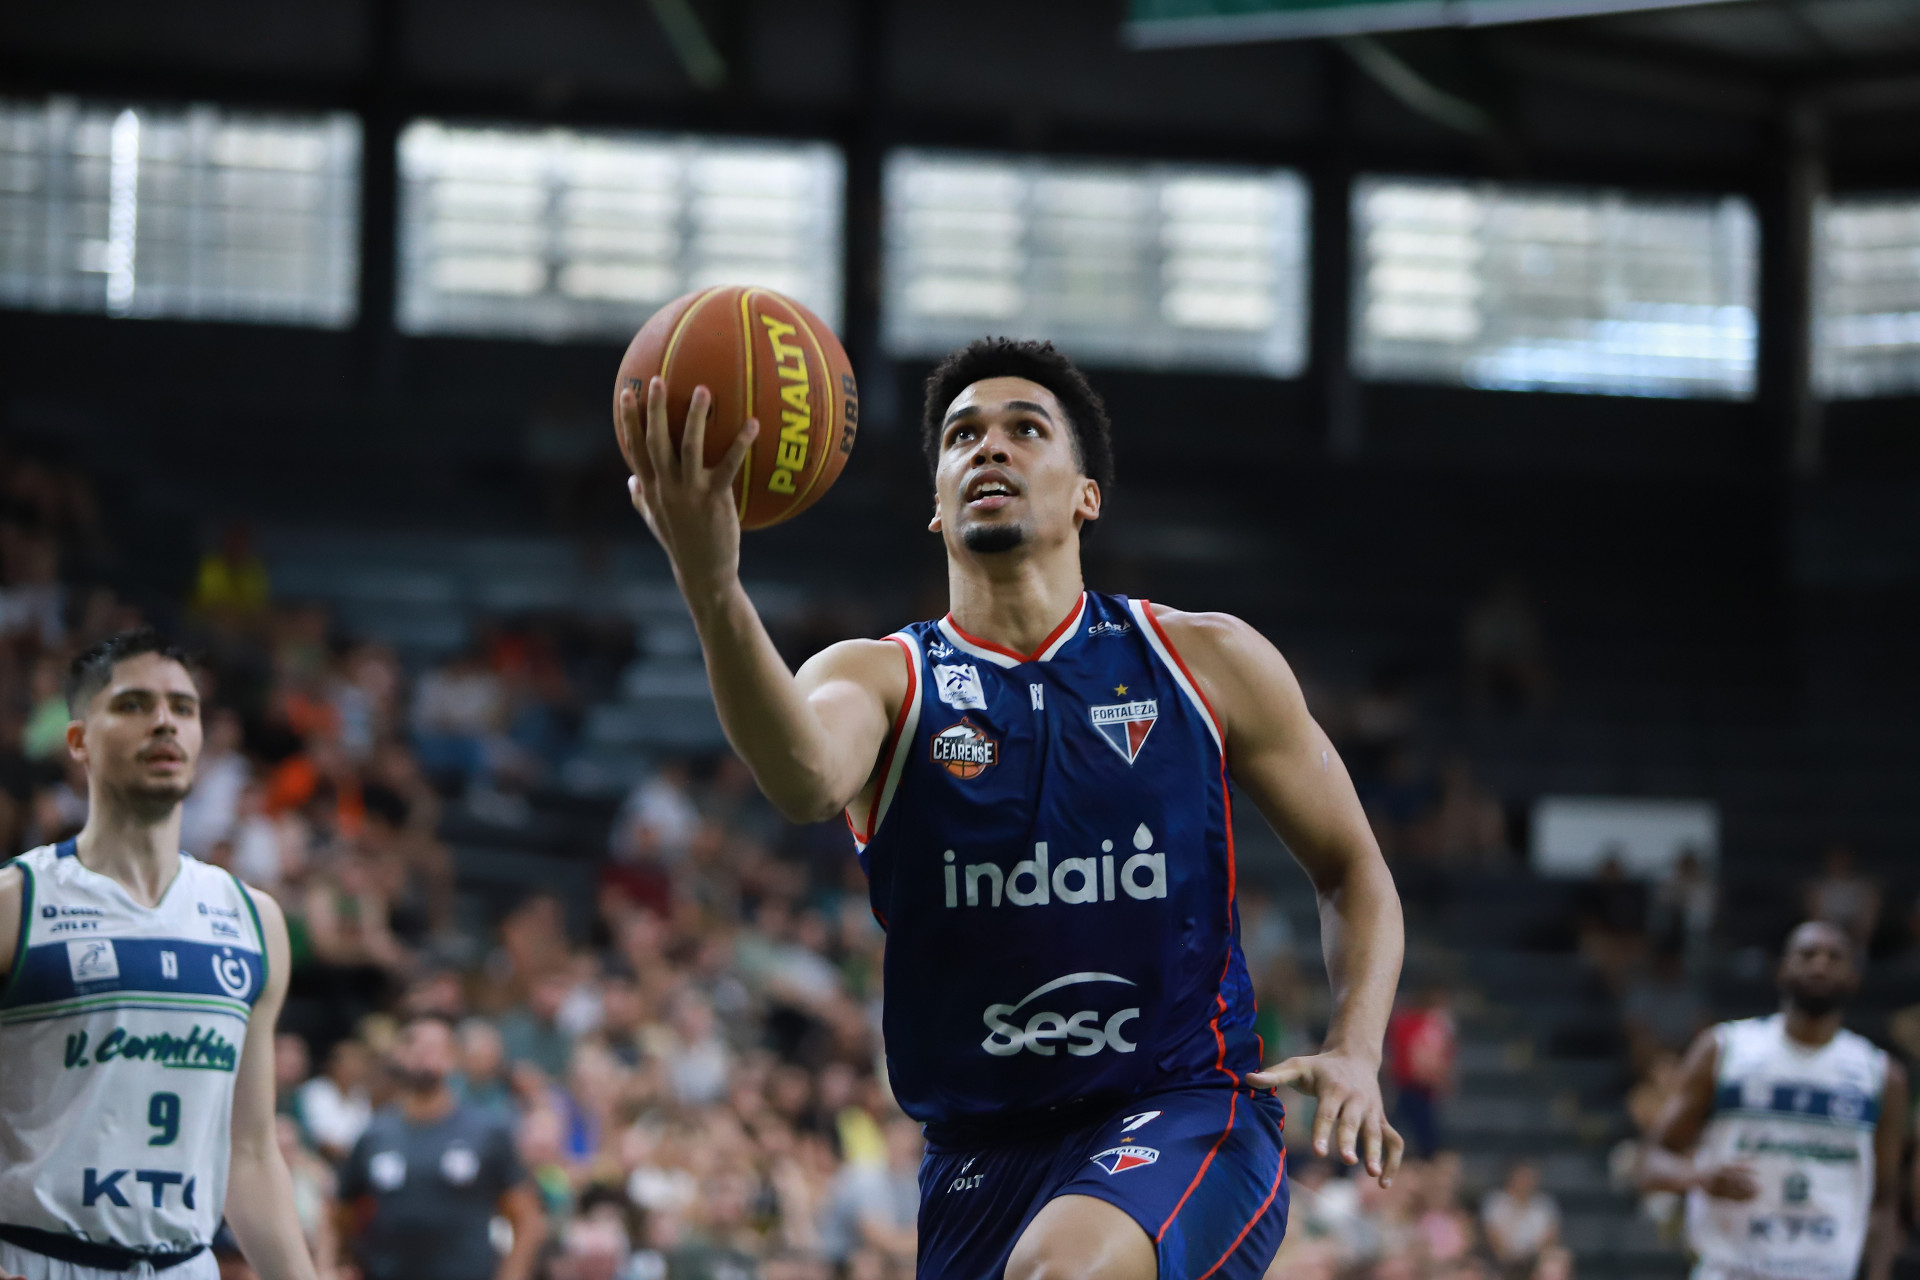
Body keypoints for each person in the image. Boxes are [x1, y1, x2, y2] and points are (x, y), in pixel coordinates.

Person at [616, 336, 1407, 1279]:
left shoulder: (1204, 660)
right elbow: (801, 779)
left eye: (1025, 429)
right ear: (937, 504)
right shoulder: (881, 680)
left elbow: (1353, 870)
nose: (987, 446)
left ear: (1086, 495)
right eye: (962, 436)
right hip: (977, 1156)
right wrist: (713, 590)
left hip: (1186, 1109)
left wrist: (1356, 1049)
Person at [0, 629, 319, 1280]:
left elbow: (250, 1154)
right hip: (40, 1260)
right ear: (79, 741)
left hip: (185, 1265)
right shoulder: (17, 904)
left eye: (183, 707)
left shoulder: (253, 921)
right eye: (133, 704)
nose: (165, 722)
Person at [1640, 921, 1911, 1280]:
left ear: (1854, 977)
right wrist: (1700, 1176)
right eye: (1807, 955)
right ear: (1782, 969)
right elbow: (1650, 1162)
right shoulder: (1724, 1050)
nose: (1819, 964)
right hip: (1731, 1270)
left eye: (1834, 957)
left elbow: (1885, 1201)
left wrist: (1879, 1271)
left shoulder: (1881, 1075)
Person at [336, 1012, 546, 1280]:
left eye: (436, 1046)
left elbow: (527, 1219)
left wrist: (512, 1275)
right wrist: (336, 1263)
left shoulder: (487, 1131)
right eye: (414, 1044)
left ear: (454, 1058)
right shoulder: (374, 1135)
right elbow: (339, 1214)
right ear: (398, 1055)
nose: (425, 1054)